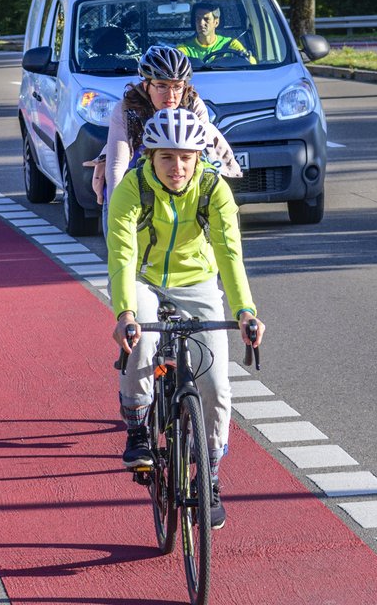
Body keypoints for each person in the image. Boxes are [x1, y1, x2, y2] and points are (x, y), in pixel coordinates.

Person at [107, 107, 265, 530]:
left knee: (216, 384)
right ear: (150, 156)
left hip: (197, 282)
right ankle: (138, 429)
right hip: (142, 279)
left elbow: (230, 254)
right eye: (166, 157)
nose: (176, 167)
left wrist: (245, 311)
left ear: (199, 157)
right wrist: (125, 313)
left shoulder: (214, 189)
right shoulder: (132, 189)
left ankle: (209, 475)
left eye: (186, 157)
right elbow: (121, 255)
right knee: (140, 340)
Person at [89, 46, 241, 208]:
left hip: (181, 176)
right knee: (111, 188)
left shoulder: (194, 105)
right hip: (135, 171)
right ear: (146, 85)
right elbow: (117, 165)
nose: (171, 95)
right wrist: (115, 209)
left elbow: (202, 161)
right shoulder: (126, 109)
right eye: (162, 86)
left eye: (177, 86)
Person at [177, 1, 256, 64]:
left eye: (206, 19)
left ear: (216, 22)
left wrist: (247, 58)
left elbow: (251, 63)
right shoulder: (185, 48)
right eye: (198, 19)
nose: (201, 23)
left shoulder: (231, 44)